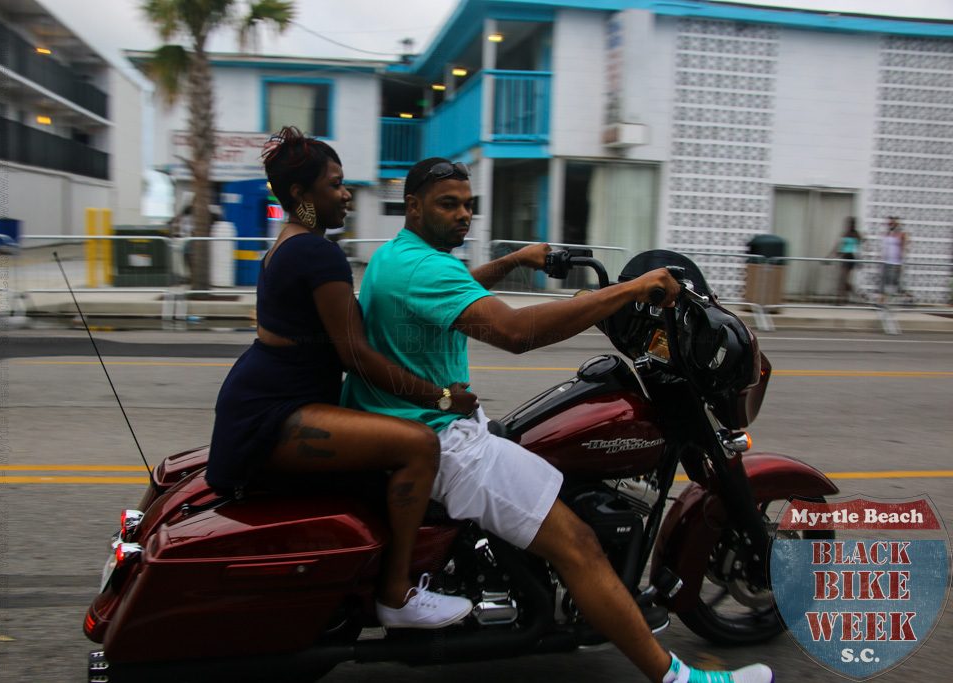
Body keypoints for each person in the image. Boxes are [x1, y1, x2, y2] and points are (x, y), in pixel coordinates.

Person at [341, 157, 774, 683]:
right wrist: (629, 291)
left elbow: (455, 293)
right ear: (413, 206)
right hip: (445, 441)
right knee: (579, 544)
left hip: (416, 424)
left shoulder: (398, 258)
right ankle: (684, 678)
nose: (463, 215)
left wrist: (515, 260)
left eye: (468, 205)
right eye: (448, 204)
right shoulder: (426, 267)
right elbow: (517, 333)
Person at [206, 130, 475, 629]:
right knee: (418, 446)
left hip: (262, 399)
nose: (346, 194)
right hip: (276, 413)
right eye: (335, 185)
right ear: (301, 196)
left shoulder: (292, 244)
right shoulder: (316, 254)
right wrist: (440, 397)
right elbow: (358, 356)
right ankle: (396, 596)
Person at [834, 216, 861, 302]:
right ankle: (845, 296)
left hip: (851, 257)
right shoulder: (845, 233)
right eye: (849, 224)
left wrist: (860, 260)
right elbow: (840, 245)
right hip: (844, 256)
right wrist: (835, 254)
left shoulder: (856, 234)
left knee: (844, 278)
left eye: (851, 224)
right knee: (843, 278)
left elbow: (859, 246)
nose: (850, 225)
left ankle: (841, 298)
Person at [881, 216, 907, 303]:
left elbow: (903, 248)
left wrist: (901, 262)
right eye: (889, 223)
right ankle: (883, 301)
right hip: (886, 261)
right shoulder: (887, 234)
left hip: (896, 262)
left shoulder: (901, 235)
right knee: (885, 282)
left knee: (894, 283)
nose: (890, 225)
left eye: (892, 223)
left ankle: (904, 296)